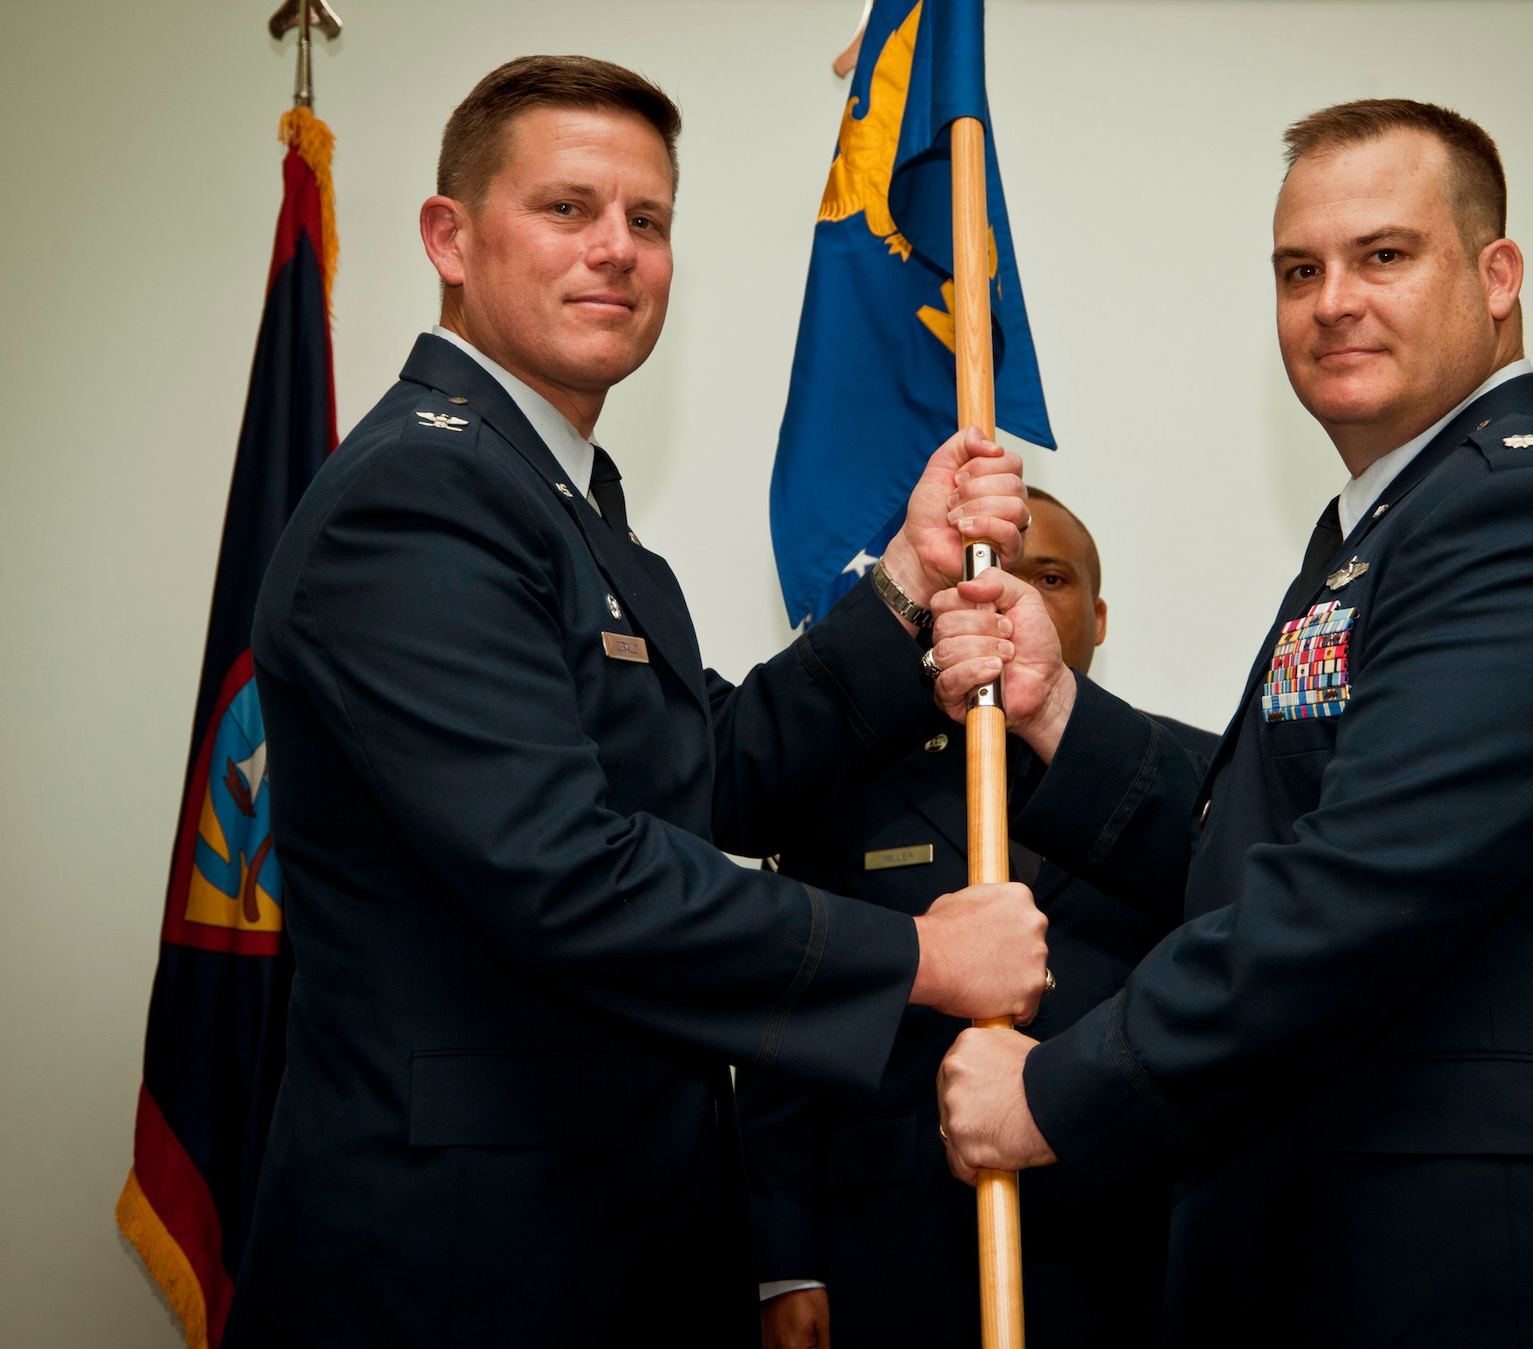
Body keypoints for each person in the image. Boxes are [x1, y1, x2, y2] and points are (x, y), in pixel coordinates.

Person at [224, 56, 1052, 1348]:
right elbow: (564, 871)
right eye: (566, 207)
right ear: (449, 237)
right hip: (463, 1265)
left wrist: (904, 580)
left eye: (647, 218)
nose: (616, 248)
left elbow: (705, 774)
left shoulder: (559, 498)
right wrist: (921, 959)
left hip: (602, 1231)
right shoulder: (417, 499)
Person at [927, 99, 1533, 1344]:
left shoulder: (1527, 516)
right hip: (1353, 1233)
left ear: (1496, 276)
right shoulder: (1391, 520)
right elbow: (1262, 838)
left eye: (1383, 255)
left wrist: (1060, 1088)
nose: (1331, 301)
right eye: (1297, 270)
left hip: (1484, 1261)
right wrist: (1054, 705)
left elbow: (1360, 886)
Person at [743, 489, 1217, 1349]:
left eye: (1053, 577)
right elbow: (793, 1023)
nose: (1019, 593)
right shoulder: (848, 791)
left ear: (1100, 617)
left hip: (1133, 1238)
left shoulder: (1193, 776)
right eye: (995, 570)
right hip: (895, 1245)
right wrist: (786, 1261)